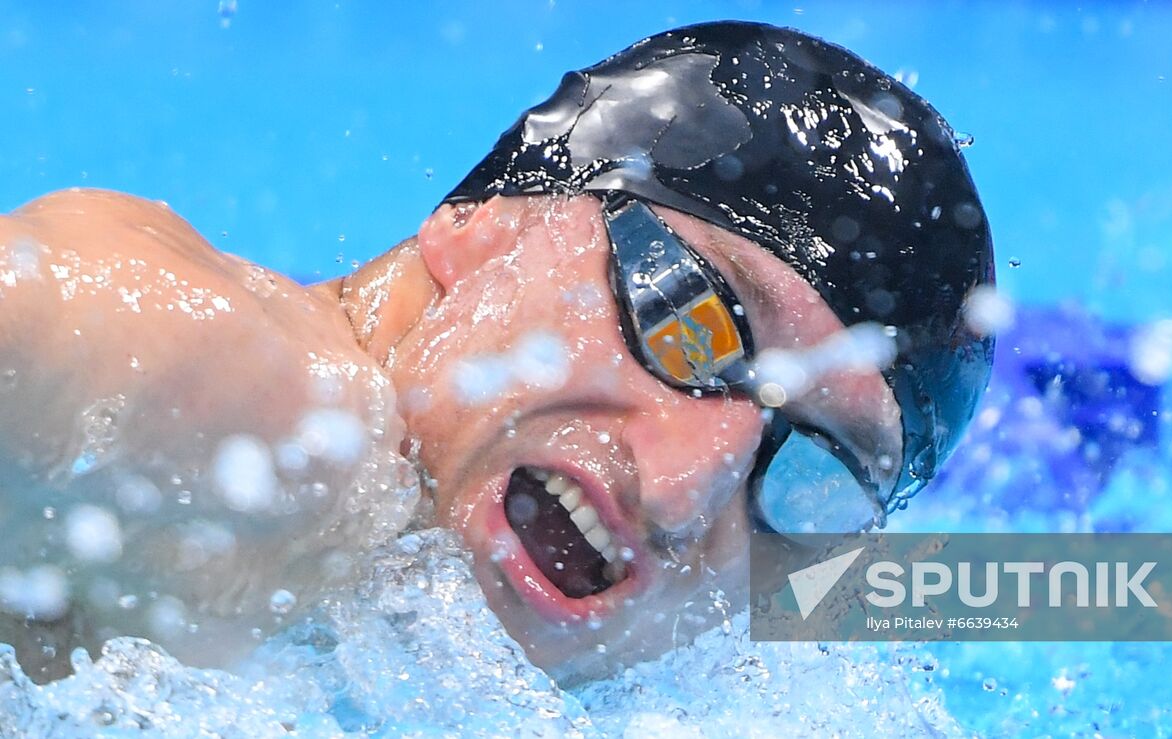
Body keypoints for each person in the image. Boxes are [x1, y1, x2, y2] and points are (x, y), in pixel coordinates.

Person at [0, 21, 994, 683]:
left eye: (813, 472)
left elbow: (1125, 593)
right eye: (696, 318)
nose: (691, 490)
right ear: (485, 224)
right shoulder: (231, 399)